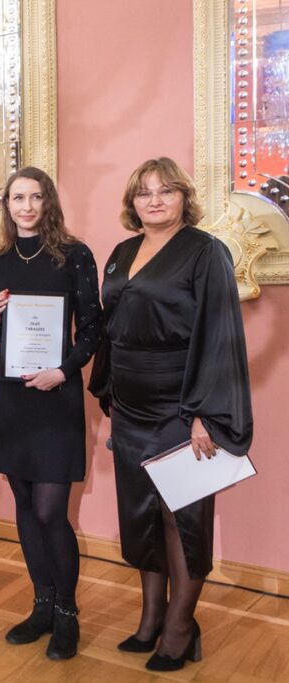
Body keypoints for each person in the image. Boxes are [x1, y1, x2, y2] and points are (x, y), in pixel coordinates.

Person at [89, 157, 252, 672]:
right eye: (144, 192)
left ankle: (181, 628)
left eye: (166, 190)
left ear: (184, 197)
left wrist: (205, 412)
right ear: (132, 202)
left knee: (182, 520)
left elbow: (221, 333)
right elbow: (112, 324)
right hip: (131, 407)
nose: (154, 200)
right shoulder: (121, 252)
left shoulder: (206, 252)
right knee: (142, 517)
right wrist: (108, 385)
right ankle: (150, 618)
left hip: (181, 408)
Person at [0, 167, 102, 660]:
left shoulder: (75, 255)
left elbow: (92, 328)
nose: (26, 206)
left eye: (35, 197)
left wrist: (64, 371)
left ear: (48, 201)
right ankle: (42, 605)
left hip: (55, 390)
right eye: (16, 198)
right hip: (10, 395)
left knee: (51, 510)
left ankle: (68, 612)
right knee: (24, 507)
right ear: (6, 205)